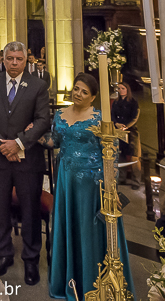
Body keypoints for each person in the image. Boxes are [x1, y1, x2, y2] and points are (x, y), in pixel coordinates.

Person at [41, 73, 134, 299]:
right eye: (76, 89)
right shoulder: (61, 114)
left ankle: (96, 281)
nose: (78, 94)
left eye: (84, 92)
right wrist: (31, 135)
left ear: (93, 97)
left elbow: (111, 150)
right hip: (66, 179)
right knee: (69, 225)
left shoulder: (100, 118)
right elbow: (55, 141)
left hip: (93, 182)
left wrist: (111, 184)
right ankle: (71, 281)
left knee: (89, 228)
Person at [0, 41, 51, 287]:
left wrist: (19, 143)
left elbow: (43, 120)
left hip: (27, 160)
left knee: (30, 210)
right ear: (3, 59)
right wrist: (1, 145)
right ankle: (5, 253)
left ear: (25, 61)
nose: (14, 63)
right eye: (10, 58)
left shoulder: (38, 86)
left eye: (18, 59)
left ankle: (31, 258)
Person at [111, 80, 141, 186]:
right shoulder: (116, 102)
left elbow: (135, 117)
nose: (121, 90)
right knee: (121, 155)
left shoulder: (133, 102)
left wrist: (126, 126)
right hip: (120, 131)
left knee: (134, 156)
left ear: (127, 90)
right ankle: (122, 177)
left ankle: (136, 181)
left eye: (123, 88)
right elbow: (112, 115)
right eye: (119, 89)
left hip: (131, 131)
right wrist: (117, 124)